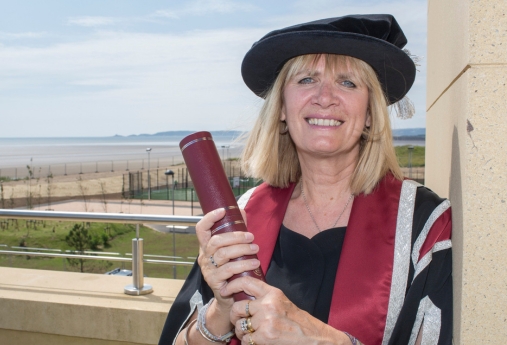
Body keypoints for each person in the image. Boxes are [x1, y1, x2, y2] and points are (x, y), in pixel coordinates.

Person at [159, 14, 452, 345]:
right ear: (282, 107)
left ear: (370, 112)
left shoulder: (423, 224)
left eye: (348, 83)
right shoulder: (244, 215)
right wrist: (221, 311)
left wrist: (322, 339)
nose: (324, 97)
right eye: (306, 80)